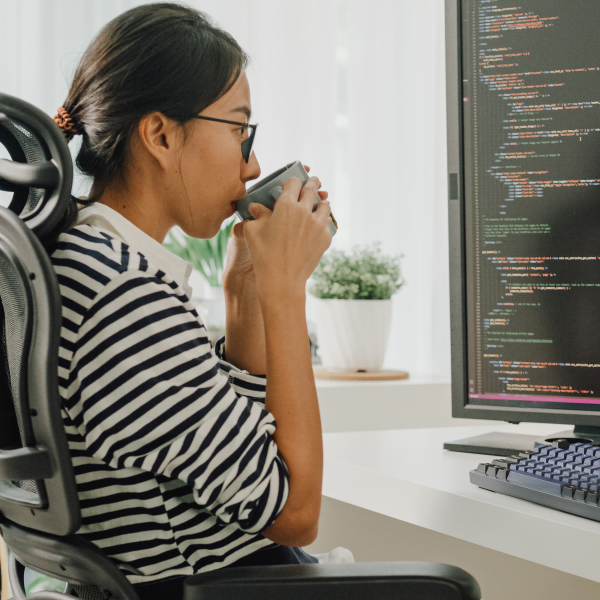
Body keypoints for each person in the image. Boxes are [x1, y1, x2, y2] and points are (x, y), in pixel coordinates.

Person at [50, 4, 350, 599]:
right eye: (240, 130)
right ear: (161, 134)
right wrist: (287, 291)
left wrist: (247, 295)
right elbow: (293, 512)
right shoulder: (124, 297)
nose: (254, 163)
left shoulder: (84, 258)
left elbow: (225, 451)